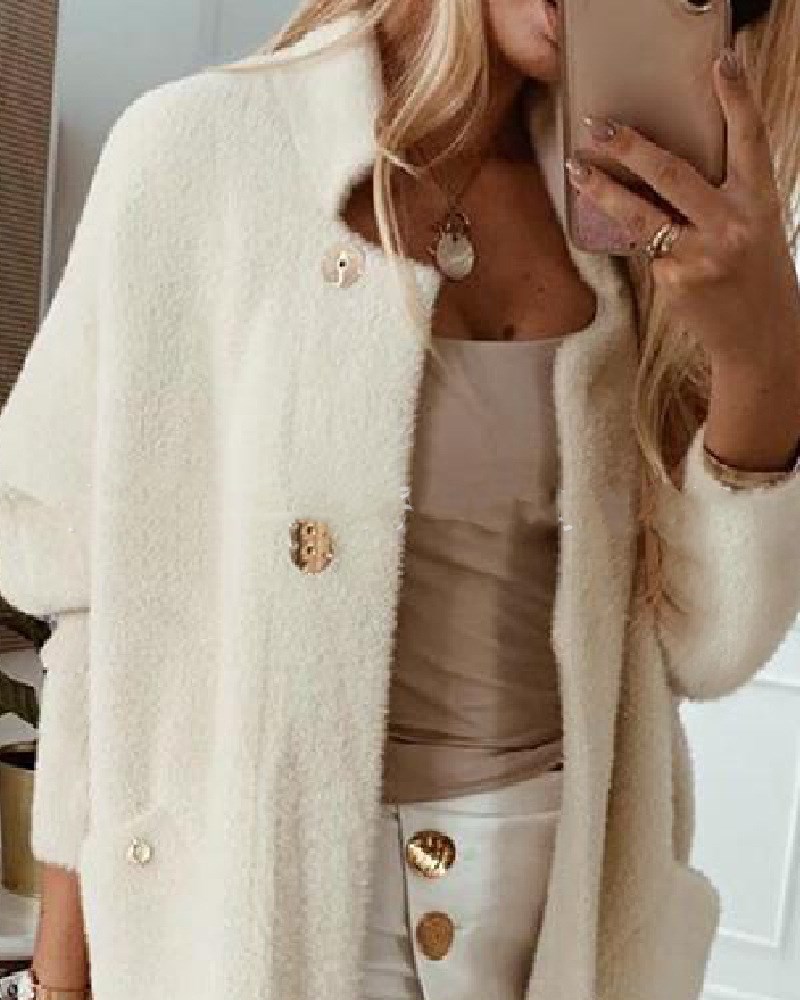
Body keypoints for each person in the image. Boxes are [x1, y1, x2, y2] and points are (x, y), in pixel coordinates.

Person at [0, 1, 799, 999]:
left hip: (560, 909)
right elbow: (90, 607)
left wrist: (759, 354)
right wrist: (61, 980)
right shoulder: (198, 153)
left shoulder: (640, 225)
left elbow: (705, 647)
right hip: (258, 912)